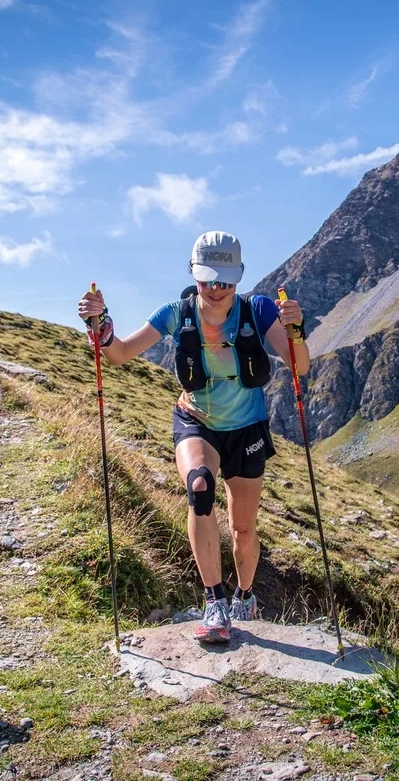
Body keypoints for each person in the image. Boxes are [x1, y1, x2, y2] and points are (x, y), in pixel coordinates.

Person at [77, 231, 309, 644]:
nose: (216, 289)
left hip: (247, 428)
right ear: (193, 275)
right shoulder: (175, 312)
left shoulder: (257, 311)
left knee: (243, 528)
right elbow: (118, 354)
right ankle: (214, 602)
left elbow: (300, 366)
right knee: (199, 486)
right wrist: (102, 328)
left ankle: (245, 595)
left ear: (238, 278)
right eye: (208, 280)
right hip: (195, 420)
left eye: (225, 281)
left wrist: (295, 330)